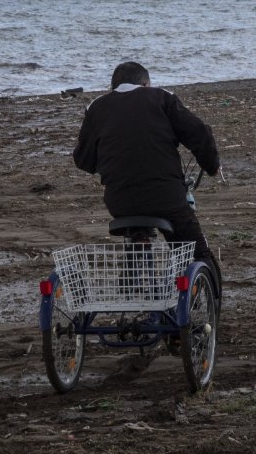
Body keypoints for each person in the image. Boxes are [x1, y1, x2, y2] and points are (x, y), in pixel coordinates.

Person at [73, 61, 222, 295]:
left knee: (136, 225)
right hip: (167, 198)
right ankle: (209, 307)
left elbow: (83, 160)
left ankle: (132, 270)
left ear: (113, 87)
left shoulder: (97, 107)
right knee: (196, 250)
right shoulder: (162, 98)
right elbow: (199, 133)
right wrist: (211, 165)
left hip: (119, 201)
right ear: (145, 84)